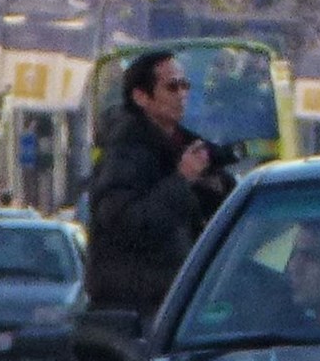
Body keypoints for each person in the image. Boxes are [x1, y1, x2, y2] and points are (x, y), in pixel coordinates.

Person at [83, 50, 235, 331]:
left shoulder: (181, 146)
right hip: (135, 312)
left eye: (185, 85)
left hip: (176, 304)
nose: (181, 94)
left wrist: (213, 186)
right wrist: (182, 179)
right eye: (171, 86)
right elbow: (125, 222)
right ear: (142, 97)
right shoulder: (126, 151)